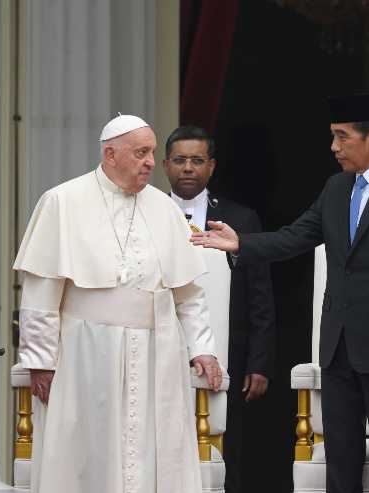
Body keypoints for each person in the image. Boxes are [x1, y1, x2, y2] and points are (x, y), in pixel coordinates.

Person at [191, 93, 369, 493]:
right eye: (332, 137)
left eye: (342, 137)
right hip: (338, 349)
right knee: (339, 463)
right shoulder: (336, 187)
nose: (334, 148)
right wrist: (242, 244)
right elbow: (296, 237)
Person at [13, 114, 222, 493]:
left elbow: (188, 294)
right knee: (90, 453)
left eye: (151, 153)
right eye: (140, 153)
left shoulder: (164, 209)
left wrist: (203, 349)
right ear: (110, 154)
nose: (149, 162)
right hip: (87, 353)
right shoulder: (62, 201)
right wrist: (40, 360)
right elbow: (41, 291)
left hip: (158, 352)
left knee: (152, 452)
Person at [163, 125, 275, 493]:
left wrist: (259, 363)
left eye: (197, 160)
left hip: (231, 352)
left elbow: (260, 296)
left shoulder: (241, 218)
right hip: (161, 349)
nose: (188, 168)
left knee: (231, 447)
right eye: (180, 160)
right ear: (165, 165)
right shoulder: (149, 214)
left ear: (211, 166)